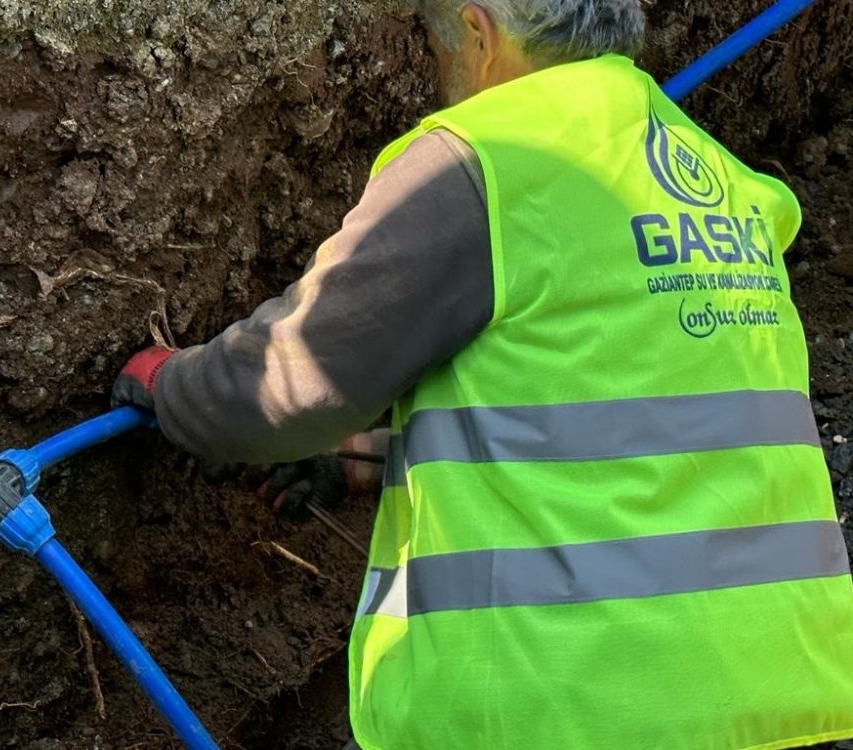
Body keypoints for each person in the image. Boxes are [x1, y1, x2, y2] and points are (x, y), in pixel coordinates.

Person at [112, 1, 853, 747]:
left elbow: (286, 388)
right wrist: (375, 461)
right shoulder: (721, 182)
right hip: (782, 692)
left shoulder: (484, 160)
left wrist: (169, 383)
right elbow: (643, 430)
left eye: (435, 44)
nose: (439, 74)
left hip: (579, 706)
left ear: (477, 31)